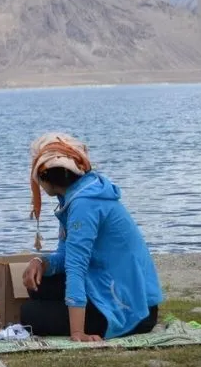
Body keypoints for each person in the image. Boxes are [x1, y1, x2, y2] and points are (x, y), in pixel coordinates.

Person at [20, 132, 162, 342]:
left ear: (44, 177)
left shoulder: (83, 204)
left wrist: (78, 333)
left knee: (29, 314)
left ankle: (103, 320)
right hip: (111, 283)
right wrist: (42, 262)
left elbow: (76, 266)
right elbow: (67, 254)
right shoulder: (80, 193)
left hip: (132, 308)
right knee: (39, 286)